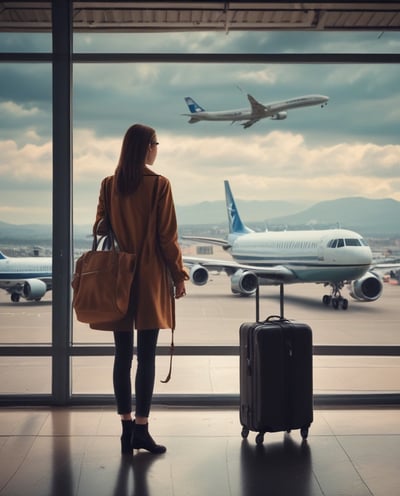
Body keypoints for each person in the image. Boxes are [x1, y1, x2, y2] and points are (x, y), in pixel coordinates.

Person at [93, 123, 188, 455]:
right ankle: (142, 431)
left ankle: (125, 429)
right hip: (149, 280)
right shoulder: (159, 184)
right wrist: (179, 275)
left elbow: (100, 227)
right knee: (146, 357)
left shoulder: (108, 185)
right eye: (156, 143)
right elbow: (167, 238)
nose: (157, 148)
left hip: (118, 278)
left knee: (122, 356)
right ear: (148, 147)